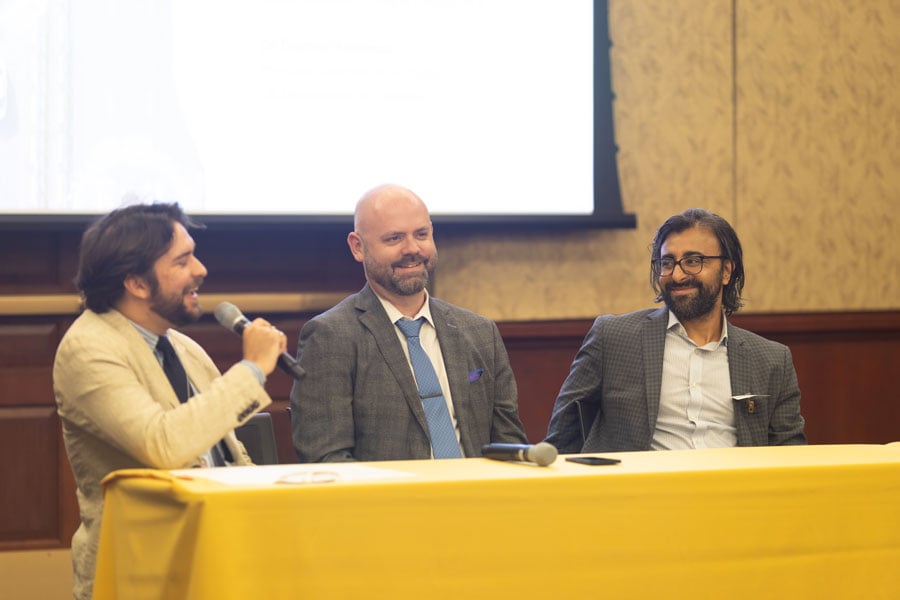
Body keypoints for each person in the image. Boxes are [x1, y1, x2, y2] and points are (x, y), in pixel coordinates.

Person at [53, 202, 287, 600]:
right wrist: (251, 369)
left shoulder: (182, 346)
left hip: (220, 560)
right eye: (182, 261)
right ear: (137, 283)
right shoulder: (87, 349)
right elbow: (164, 446)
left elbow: (225, 451)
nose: (201, 269)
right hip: (144, 574)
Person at [290, 184, 527, 462]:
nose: (412, 249)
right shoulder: (330, 336)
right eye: (394, 238)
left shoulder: (480, 332)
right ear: (358, 247)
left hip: (480, 488)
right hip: (388, 491)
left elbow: (510, 446)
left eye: (421, 235)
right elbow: (327, 459)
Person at [545, 208, 806, 453]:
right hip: (641, 485)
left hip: (733, 486)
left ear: (726, 271)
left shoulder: (771, 360)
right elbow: (561, 440)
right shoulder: (613, 338)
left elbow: (791, 457)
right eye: (667, 262)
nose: (678, 276)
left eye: (693, 261)